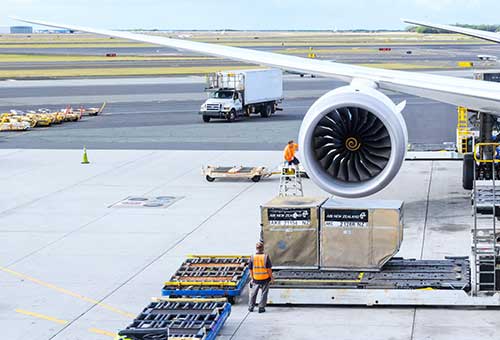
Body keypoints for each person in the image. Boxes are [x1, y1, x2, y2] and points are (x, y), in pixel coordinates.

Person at [248, 242, 273, 313]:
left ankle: (251, 307)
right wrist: (271, 278)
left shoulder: (253, 257)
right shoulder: (265, 257)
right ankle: (261, 308)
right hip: (265, 278)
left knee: (253, 293)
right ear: (263, 248)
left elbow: (250, 269)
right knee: (264, 293)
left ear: (256, 248)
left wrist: (252, 277)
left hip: (256, 278)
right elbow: (269, 269)